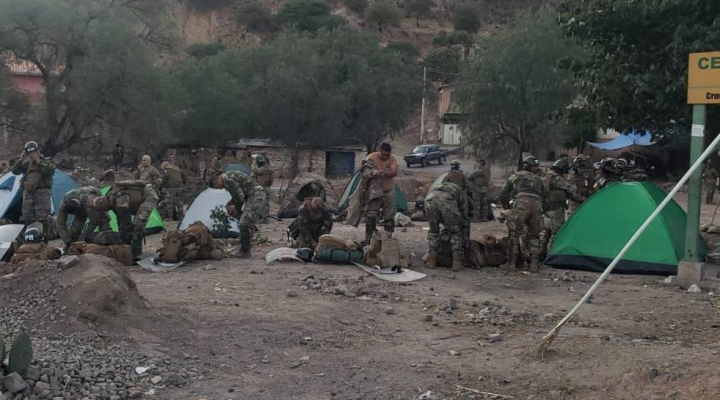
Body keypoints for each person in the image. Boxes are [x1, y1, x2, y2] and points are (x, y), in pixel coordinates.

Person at [499, 156, 548, 272]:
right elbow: (547, 196)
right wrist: (542, 209)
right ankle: (534, 265)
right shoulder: (538, 179)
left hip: (521, 204)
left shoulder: (517, 175)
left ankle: (511, 263)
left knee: (514, 234)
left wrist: (507, 207)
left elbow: (504, 193)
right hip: (537, 205)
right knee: (534, 235)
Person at [92, 180, 158, 258]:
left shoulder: (119, 198)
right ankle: (131, 250)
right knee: (127, 228)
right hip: (137, 201)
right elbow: (119, 221)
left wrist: (124, 240)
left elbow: (126, 221)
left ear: (104, 205)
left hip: (148, 196)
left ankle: (136, 254)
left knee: (138, 225)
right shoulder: (111, 200)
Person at [213, 171, 268, 258]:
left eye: (218, 187)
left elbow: (240, 197)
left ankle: (244, 251)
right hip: (254, 195)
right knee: (244, 221)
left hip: (256, 196)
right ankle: (248, 236)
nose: (221, 188)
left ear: (218, 181)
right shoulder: (229, 176)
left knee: (243, 223)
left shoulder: (228, 180)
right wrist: (232, 203)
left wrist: (236, 210)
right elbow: (238, 193)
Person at [11, 141, 56, 241]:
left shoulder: (46, 161)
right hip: (28, 193)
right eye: (30, 153)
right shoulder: (27, 163)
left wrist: (38, 161)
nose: (32, 155)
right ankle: (32, 239)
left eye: (33, 152)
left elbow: (50, 170)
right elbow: (14, 171)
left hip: (42, 193)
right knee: (28, 217)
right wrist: (21, 159)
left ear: (38, 151)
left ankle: (44, 239)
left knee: (42, 218)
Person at [539, 159, 583, 259]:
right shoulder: (556, 178)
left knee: (546, 232)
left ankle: (541, 253)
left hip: (545, 208)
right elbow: (571, 189)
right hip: (556, 208)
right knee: (557, 232)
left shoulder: (546, 176)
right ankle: (552, 254)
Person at [425, 182, 469, 272]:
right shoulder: (463, 195)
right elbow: (463, 219)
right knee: (455, 232)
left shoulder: (445, 186)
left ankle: (431, 261)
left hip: (430, 199)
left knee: (433, 232)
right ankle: (456, 263)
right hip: (447, 200)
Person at [363, 143, 399, 243]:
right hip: (375, 192)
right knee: (371, 216)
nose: (385, 157)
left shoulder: (392, 158)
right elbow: (365, 173)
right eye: (383, 154)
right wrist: (373, 173)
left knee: (389, 218)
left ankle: (389, 240)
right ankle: (369, 239)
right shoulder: (371, 157)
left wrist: (381, 172)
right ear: (380, 151)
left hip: (388, 191)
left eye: (387, 155)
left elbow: (394, 172)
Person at [57, 187, 111, 251]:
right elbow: (60, 224)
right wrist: (67, 241)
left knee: (104, 221)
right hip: (81, 205)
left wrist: (82, 238)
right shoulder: (63, 205)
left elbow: (94, 222)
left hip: (93, 199)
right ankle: (71, 244)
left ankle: (106, 244)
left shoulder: (89, 201)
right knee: (75, 228)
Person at [251, 154, 273, 220]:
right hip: (266, 187)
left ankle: (260, 216)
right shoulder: (270, 169)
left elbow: (252, 176)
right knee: (266, 203)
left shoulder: (257, 170)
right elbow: (271, 180)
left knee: (258, 203)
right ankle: (265, 216)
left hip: (259, 188)